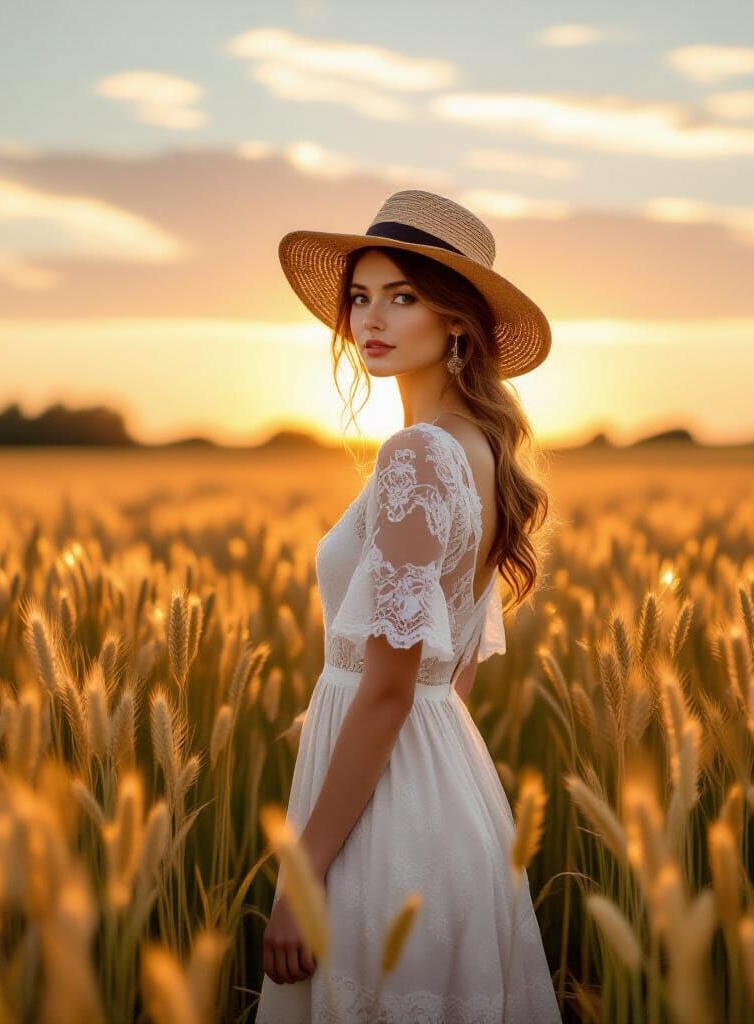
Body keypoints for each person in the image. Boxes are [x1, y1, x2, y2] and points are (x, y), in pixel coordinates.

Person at [255, 190, 562, 1022]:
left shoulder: (418, 457)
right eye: (361, 296)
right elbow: (449, 677)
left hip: (383, 813)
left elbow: (390, 686)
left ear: (456, 321)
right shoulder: (480, 451)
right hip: (440, 787)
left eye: (403, 297)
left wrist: (304, 875)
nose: (371, 319)